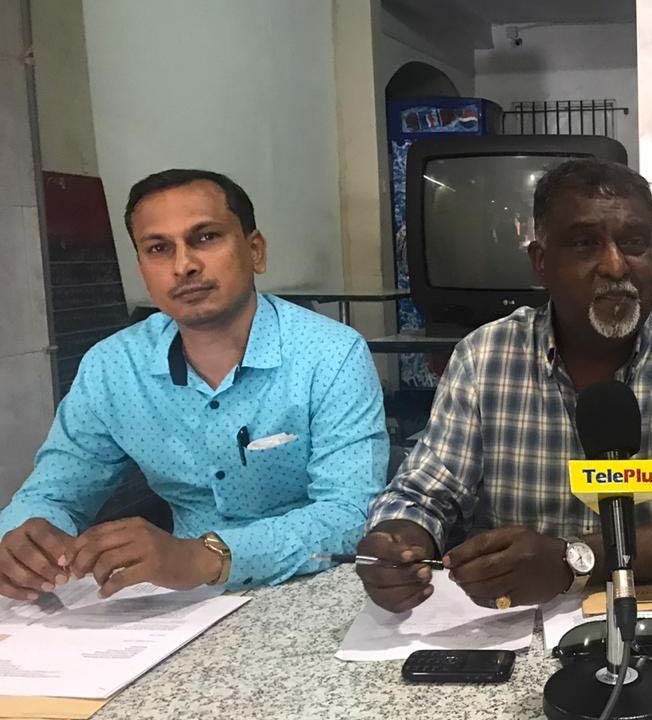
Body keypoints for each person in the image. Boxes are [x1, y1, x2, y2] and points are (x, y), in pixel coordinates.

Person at [358, 158, 652, 612]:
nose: (615, 265)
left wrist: (573, 559)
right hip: (516, 624)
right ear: (541, 262)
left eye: (634, 243)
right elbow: (421, 495)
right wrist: (398, 545)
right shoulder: (485, 357)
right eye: (584, 244)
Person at [0, 169, 388, 601]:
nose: (183, 265)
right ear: (142, 269)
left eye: (205, 238)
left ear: (255, 251)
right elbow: (53, 493)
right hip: (180, 604)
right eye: (159, 248)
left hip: (313, 588)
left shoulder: (330, 353)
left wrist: (206, 557)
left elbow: (351, 514)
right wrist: (25, 538)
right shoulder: (114, 367)